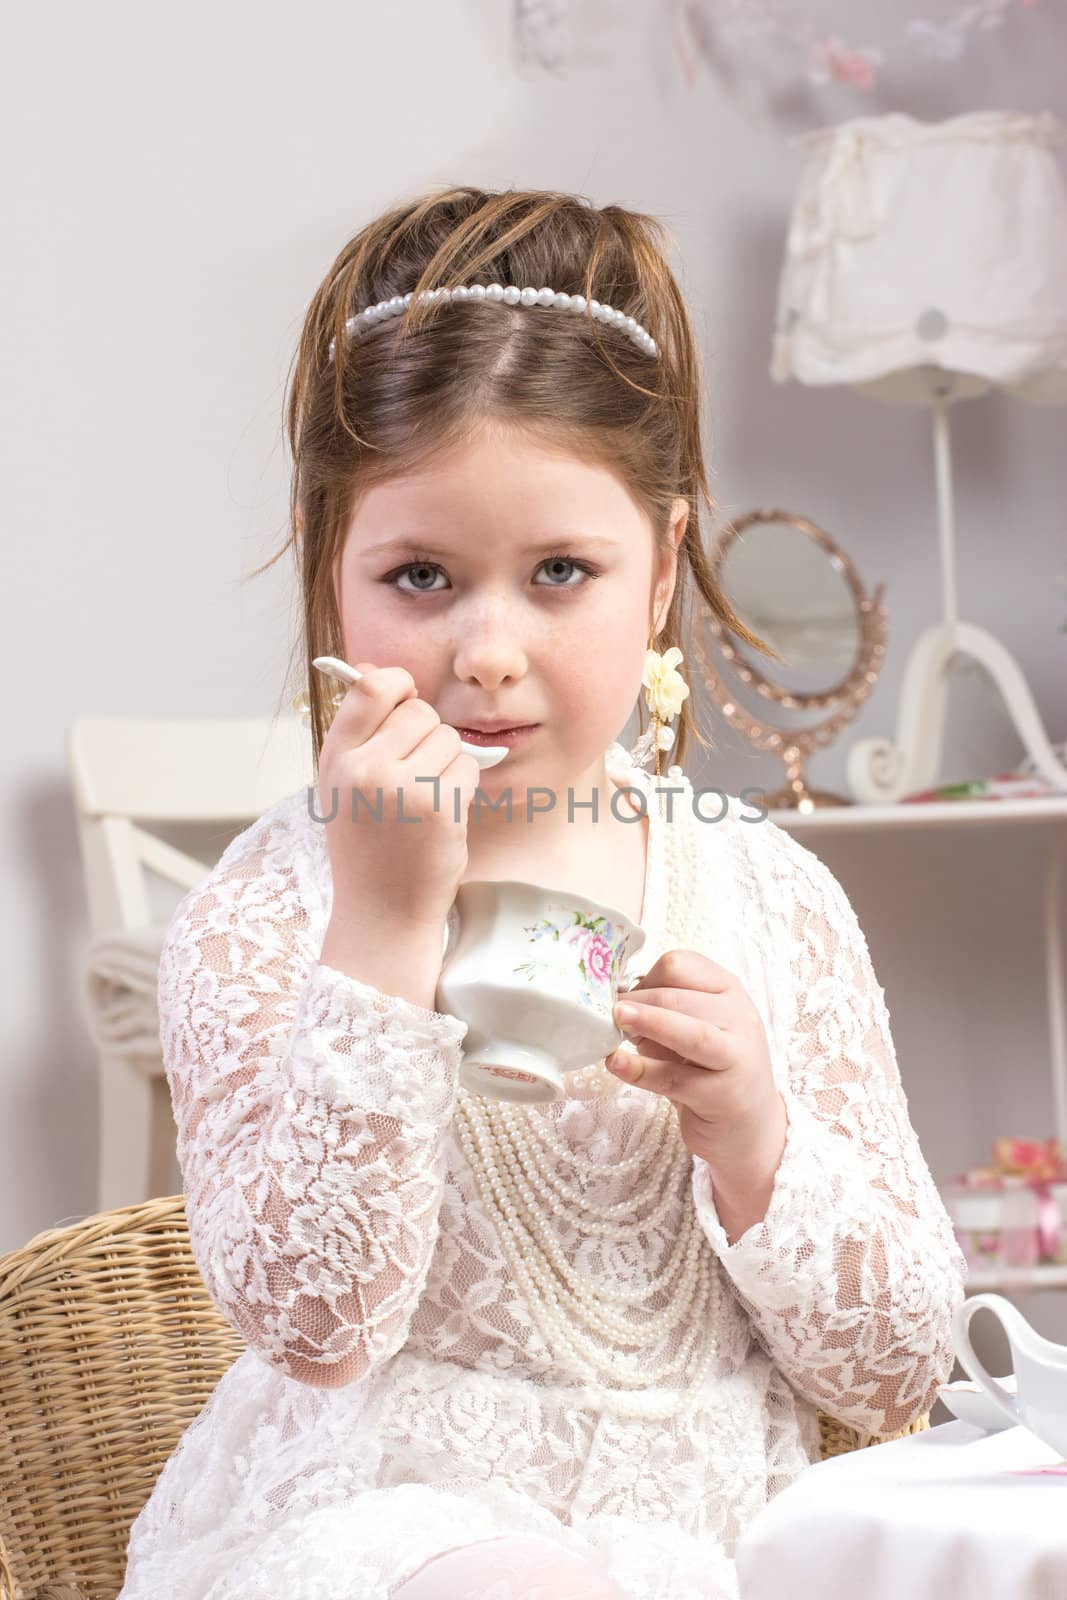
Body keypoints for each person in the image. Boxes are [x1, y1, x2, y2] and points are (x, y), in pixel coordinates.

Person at [117, 187, 967, 1600]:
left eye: (560, 572)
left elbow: (895, 1371)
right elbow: (313, 1323)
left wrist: (755, 1133)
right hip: (385, 1527)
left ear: (656, 580)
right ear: (337, 581)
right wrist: (383, 926)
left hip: (717, 1538)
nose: (487, 648)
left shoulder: (768, 895)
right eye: (423, 577)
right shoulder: (266, 908)